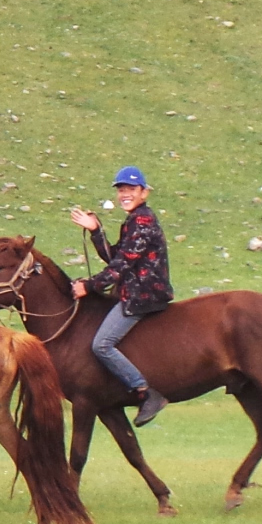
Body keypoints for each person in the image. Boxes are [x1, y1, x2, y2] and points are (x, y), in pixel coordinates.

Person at [70, 165, 173, 426]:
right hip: (134, 290)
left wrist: (89, 286)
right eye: (122, 190)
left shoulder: (143, 221)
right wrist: (95, 230)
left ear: (143, 192)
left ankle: (146, 392)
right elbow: (116, 256)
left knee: (101, 344)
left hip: (144, 294)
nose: (125, 194)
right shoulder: (134, 220)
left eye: (131, 189)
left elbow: (121, 265)